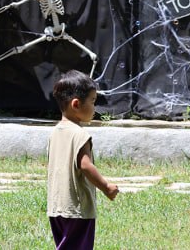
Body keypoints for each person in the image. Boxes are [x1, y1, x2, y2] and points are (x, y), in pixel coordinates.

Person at [47, 70, 119, 250]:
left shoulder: (55, 132)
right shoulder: (80, 135)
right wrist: (106, 187)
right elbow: (85, 166)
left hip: (56, 207)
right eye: (93, 101)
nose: (95, 107)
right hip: (77, 209)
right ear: (76, 104)